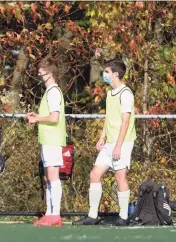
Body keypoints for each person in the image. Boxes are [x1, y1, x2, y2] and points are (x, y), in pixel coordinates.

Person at [73, 59, 136, 226]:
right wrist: (102, 137)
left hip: (122, 142)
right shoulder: (109, 93)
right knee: (94, 174)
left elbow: (125, 121)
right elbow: (108, 117)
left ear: (116, 74)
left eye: (107, 72)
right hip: (109, 142)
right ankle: (92, 215)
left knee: (120, 176)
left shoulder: (126, 94)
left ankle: (123, 217)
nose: (104, 75)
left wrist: (118, 145)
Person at [26, 57, 66, 227]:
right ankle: (49, 213)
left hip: (53, 139)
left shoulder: (54, 92)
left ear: (50, 72)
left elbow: (54, 117)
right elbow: (48, 116)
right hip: (47, 139)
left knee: (53, 176)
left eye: (42, 70)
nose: (39, 73)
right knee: (48, 177)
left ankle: (55, 215)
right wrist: (38, 117)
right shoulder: (49, 92)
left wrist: (37, 119)